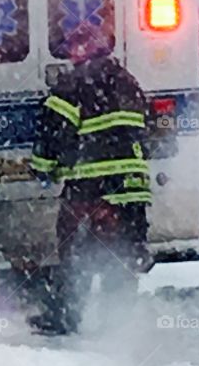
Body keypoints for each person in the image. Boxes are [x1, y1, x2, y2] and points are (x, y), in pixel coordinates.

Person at [28, 27, 153, 335]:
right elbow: (145, 129)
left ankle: (66, 317)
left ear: (81, 51)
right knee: (123, 251)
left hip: (90, 187)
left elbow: (52, 133)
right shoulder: (128, 82)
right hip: (131, 187)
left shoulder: (72, 86)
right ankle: (118, 320)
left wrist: (42, 170)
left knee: (75, 252)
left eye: (72, 48)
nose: (70, 55)